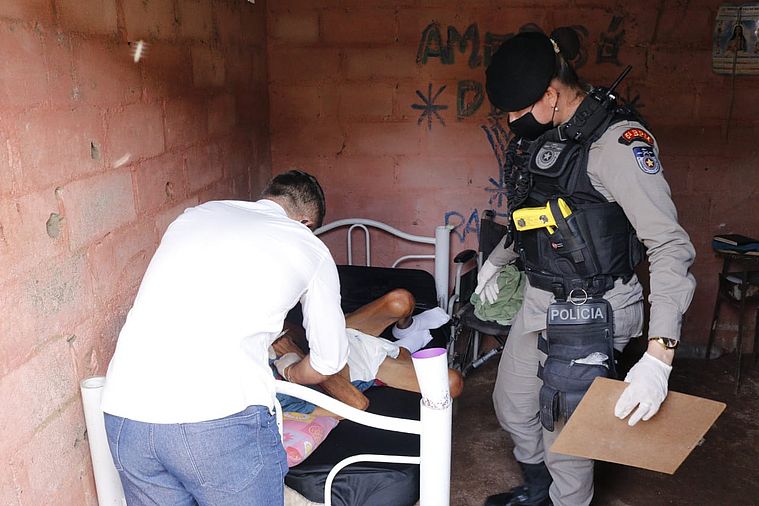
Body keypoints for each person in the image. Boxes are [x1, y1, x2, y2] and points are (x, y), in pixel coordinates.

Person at [477, 29, 696, 506]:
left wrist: (659, 356)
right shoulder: (550, 135)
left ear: (551, 94)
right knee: (513, 407)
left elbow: (669, 245)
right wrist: (496, 260)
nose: (512, 121)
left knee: (565, 436)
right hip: (541, 297)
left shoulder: (618, 144)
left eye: (518, 109)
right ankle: (539, 492)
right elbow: (542, 215)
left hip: (595, 307)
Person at [100, 170, 349, 506]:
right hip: (217, 419)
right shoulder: (309, 246)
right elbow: (329, 361)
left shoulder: (195, 215)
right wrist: (291, 372)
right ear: (306, 222)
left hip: (126, 411)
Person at [273, 288, 463, 418]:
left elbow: (298, 332)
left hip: (343, 334)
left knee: (401, 300)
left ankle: (406, 330)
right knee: (451, 384)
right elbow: (358, 404)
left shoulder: (259, 341)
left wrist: (291, 341)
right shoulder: (281, 404)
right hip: (367, 367)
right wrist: (296, 357)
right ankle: (403, 346)